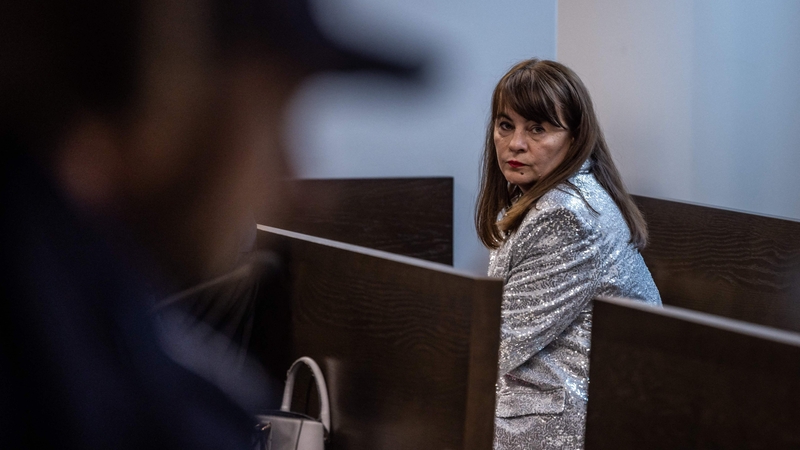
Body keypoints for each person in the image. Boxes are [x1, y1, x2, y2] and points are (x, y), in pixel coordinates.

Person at [0, 0, 419, 448]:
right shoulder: (62, 363)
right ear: (172, 75)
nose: (301, 186)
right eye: (278, 115)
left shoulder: (73, 291)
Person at [475, 59, 662, 449]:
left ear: (575, 138)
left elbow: (497, 344)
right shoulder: (544, 196)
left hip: (570, 418)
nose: (516, 143)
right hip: (540, 393)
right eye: (505, 125)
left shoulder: (568, 217)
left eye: (538, 128)